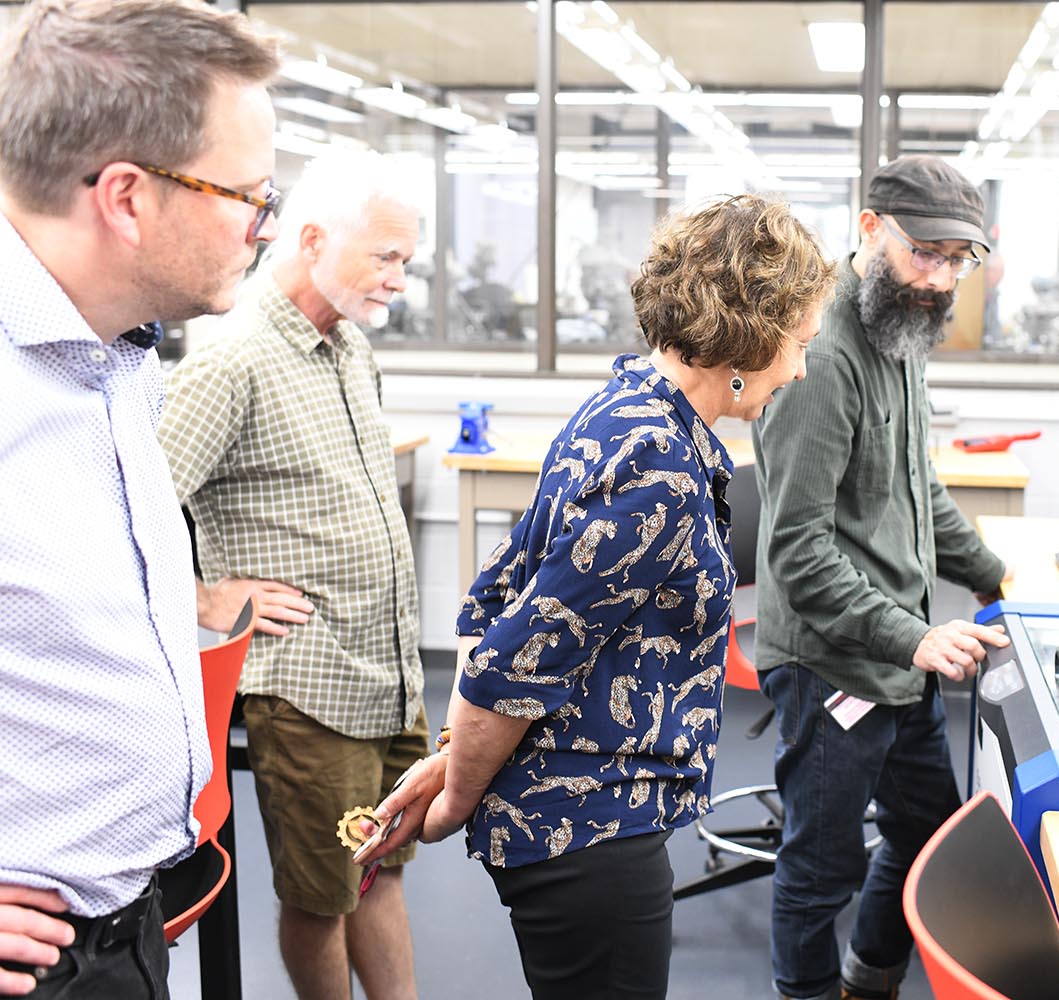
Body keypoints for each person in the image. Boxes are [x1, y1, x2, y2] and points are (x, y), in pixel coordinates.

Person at [355, 194, 836, 1000]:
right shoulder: (657, 465)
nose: (801, 367)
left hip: (592, 804)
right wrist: (458, 792)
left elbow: (508, 599)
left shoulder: (630, 408)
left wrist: (448, 764)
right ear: (751, 338)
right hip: (585, 828)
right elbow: (512, 662)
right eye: (799, 343)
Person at [0, 1, 280, 996]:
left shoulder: (119, 359)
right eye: (246, 193)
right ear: (126, 197)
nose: (263, 224)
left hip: (131, 924)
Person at [157, 150, 426, 1000]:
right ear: (311, 240)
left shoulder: (347, 349)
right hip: (308, 690)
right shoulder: (230, 360)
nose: (399, 279)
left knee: (378, 872)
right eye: (384, 257)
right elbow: (141, 509)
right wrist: (208, 596)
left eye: (406, 262)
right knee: (322, 896)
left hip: (384, 672)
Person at [751, 154, 1013, 1000]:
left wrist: (991, 572)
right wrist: (918, 635)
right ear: (870, 230)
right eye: (924, 253)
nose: (938, 279)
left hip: (904, 653)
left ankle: (871, 979)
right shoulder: (825, 354)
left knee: (926, 830)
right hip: (834, 664)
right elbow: (799, 549)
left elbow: (912, 487)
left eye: (956, 260)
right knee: (818, 873)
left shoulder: (900, 330)